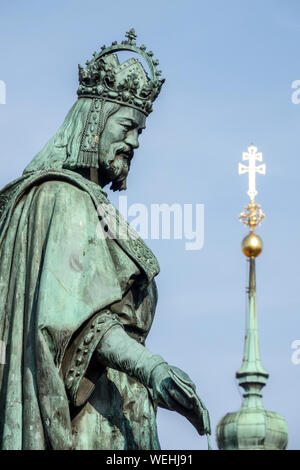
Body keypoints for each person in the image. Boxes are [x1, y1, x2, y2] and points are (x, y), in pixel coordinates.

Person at [0, 29, 210, 450]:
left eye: (140, 133)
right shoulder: (61, 196)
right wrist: (152, 369)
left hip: (114, 416)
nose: (134, 142)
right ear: (94, 118)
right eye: (129, 126)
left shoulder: (84, 203)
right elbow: (72, 322)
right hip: (87, 419)